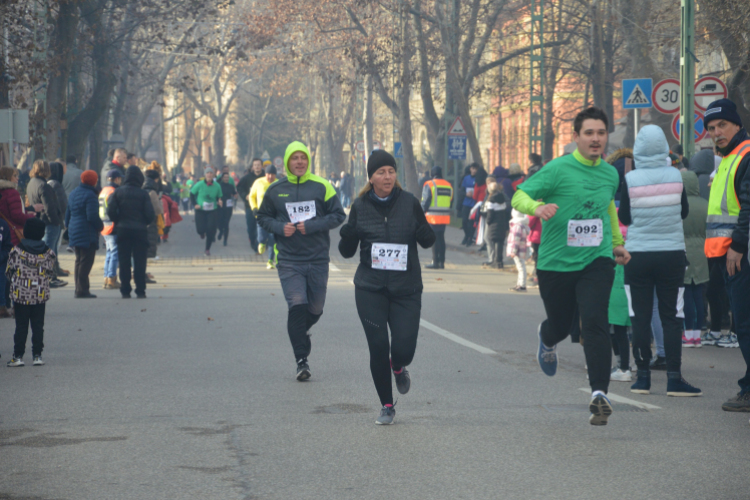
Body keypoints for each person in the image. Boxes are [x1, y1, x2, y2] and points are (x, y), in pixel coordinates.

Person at [511, 106, 631, 426]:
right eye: (589, 133)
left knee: (594, 322)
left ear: (607, 137)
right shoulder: (557, 169)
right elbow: (519, 197)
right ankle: (547, 338)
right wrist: (538, 206)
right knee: (562, 325)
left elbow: (607, 209)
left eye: (601, 133)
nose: (595, 139)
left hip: (597, 259)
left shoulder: (609, 173)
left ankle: (598, 394)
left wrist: (616, 243)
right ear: (576, 137)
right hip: (555, 262)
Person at [338, 150, 435, 425]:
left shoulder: (409, 202)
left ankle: (398, 365)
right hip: (370, 288)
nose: (387, 176)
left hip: (406, 288)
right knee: (378, 345)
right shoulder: (360, 206)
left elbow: (427, 241)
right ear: (371, 178)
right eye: (381, 172)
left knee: (404, 347)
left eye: (391, 171)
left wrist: (423, 228)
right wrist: (347, 234)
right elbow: (346, 251)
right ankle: (387, 405)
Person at [618, 124, 699, 396]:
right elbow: (684, 212)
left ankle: (642, 379)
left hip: (637, 257)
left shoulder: (630, 179)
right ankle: (675, 379)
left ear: (638, 149)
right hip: (671, 256)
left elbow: (625, 218)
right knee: (672, 316)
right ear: (665, 146)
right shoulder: (676, 177)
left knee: (639, 317)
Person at [256, 141, 346, 381]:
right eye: (294, 158)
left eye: (302, 157)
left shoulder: (322, 186)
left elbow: (338, 215)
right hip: (289, 260)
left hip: (317, 258)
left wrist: (312, 225)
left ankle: (302, 331)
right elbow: (262, 216)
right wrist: (278, 227)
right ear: (287, 162)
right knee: (297, 305)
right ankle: (301, 360)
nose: (299, 162)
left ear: (307, 160)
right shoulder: (275, 189)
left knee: (315, 309)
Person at [702, 99, 750, 412]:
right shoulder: (730, 157)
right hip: (729, 253)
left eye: (722, 125)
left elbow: (747, 205)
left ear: (736, 125)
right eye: (711, 128)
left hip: (740, 256)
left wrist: (738, 245)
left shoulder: (744, 155)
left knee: (745, 324)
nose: (717, 132)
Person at [6, 218, 55, 367]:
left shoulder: (16, 251)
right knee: (38, 325)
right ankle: (37, 356)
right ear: (42, 234)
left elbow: (9, 272)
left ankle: (18, 356)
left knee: (21, 325)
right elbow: (50, 273)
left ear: (25, 232)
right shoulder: (48, 253)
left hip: (21, 294)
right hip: (40, 294)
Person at [107, 166, 155, 299]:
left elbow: (110, 211)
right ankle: (140, 290)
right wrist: (144, 222)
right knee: (140, 261)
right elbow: (150, 214)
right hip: (140, 231)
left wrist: (118, 221)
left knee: (124, 261)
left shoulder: (118, 192)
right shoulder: (143, 194)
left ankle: (125, 289)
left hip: (123, 230)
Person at [26, 160, 66, 288]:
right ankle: (48, 278)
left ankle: (49, 277)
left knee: (44, 251)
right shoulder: (44, 185)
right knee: (49, 252)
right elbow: (49, 207)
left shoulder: (31, 183)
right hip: (49, 222)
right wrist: (56, 223)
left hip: (38, 220)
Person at [680, 170, 709, 347]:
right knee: (699, 293)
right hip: (702, 252)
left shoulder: (679, 204)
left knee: (686, 295)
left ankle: (688, 333)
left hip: (683, 251)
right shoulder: (706, 204)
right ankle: (698, 335)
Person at [65, 170, 104, 299]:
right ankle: (82, 290)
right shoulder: (91, 195)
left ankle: (79, 289)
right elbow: (92, 216)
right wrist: (100, 226)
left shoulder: (74, 193)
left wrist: (69, 227)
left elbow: (67, 214)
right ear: (93, 181)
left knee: (79, 260)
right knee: (86, 262)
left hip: (74, 229)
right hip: (86, 232)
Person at [422, 165, 453, 269]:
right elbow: (451, 201)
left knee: (434, 239)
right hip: (444, 217)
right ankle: (442, 262)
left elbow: (426, 201)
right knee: (441, 238)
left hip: (432, 217)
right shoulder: (448, 185)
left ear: (432, 174)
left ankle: (435, 262)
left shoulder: (430, 184)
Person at [190, 166, 223, 256]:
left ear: (213, 175)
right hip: (200, 210)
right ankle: (201, 233)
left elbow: (219, 196)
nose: (209, 174)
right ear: (205, 175)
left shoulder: (217, 185)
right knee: (200, 229)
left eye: (211, 173)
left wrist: (220, 200)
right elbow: (192, 194)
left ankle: (207, 249)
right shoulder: (199, 184)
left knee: (211, 230)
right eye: (207, 173)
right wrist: (194, 204)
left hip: (212, 210)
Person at [250, 164, 278, 269]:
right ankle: (261, 242)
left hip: (275, 216)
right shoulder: (258, 182)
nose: (270, 177)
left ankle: (270, 261)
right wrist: (254, 208)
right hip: (262, 215)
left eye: (273, 174)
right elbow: (252, 196)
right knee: (261, 236)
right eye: (268, 174)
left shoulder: (278, 183)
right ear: (265, 174)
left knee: (272, 238)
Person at [100, 170, 122, 289]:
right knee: (114, 252)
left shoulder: (104, 190)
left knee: (109, 252)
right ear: (117, 179)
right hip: (112, 225)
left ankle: (106, 278)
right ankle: (112, 279)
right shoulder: (114, 191)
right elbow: (114, 209)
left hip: (104, 225)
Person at [48, 162, 69, 278]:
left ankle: (55, 269)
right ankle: (53, 271)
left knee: (53, 246)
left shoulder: (48, 183)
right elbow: (62, 204)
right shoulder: (56, 184)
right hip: (57, 219)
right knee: (54, 246)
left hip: (52, 219)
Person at [237, 159, 265, 251]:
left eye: (258, 165)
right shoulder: (246, 178)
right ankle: (252, 240)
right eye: (255, 165)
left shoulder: (266, 176)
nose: (257, 167)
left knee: (263, 227)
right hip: (250, 207)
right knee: (251, 227)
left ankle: (260, 242)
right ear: (252, 167)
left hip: (264, 207)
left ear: (262, 166)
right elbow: (239, 187)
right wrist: (245, 195)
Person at [481, 176, 507, 269]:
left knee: (494, 241)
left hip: (493, 224)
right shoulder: (502, 199)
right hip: (501, 223)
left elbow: (490, 214)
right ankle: (498, 261)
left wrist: (488, 221)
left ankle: (495, 260)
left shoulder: (492, 200)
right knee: (499, 242)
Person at [506, 209, 530, 291]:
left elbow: (516, 240)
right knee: (520, 267)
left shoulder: (517, 226)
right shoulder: (522, 225)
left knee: (521, 267)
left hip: (518, 250)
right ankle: (519, 284)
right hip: (521, 250)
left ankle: (522, 285)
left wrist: (513, 251)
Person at [143, 169, 163, 262]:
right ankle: (150, 255)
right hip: (150, 219)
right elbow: (157, 209)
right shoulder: (152, 192)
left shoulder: (141, 187)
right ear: (155, 179)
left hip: (140, 220)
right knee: (151, 237)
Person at [217, 172, 237, 246]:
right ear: (222, 178)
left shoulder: (231, 186)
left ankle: (225, 240)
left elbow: (235, 193)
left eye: (227, 177)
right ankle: (221, 231)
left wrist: (235, 196)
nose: (226, 179)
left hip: (228, 207)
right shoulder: (219, 185)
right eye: (225, 177)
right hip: (220, 207)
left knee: (226, 224)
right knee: (219, 222)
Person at [0, 201, 12, 318]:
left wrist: (3, 255)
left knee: (2, 282)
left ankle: (2, 306)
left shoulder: (3, 224)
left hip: (1, 261)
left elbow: (8, 245)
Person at [460, 165, 477, 246]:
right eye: (473, 168)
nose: (474, 170)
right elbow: (461, 190)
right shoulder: (466, 178)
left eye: (476, 169)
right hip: (466, 202)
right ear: (470, 169)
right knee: (464, 221)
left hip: (474, 203)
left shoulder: (478, 179)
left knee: (471, 222)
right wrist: (466, 194)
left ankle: (470, 238)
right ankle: (466, 235)